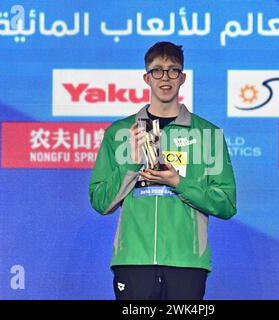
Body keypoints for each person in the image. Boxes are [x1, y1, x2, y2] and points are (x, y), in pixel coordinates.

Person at [89, 41, 236, 300]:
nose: (165, 77)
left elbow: (226, 204)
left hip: (187, 262)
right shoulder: (120, 133)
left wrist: (179, 182)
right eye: (157, 70)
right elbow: (101, 202)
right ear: (146, 77)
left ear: (183, 77)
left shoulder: (209, 134)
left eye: (172, 70)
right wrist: (132, 164)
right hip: (133, 260)